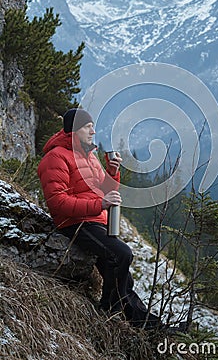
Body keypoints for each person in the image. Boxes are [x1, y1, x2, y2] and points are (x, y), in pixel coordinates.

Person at [37, 108, 159, 328]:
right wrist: (99, 205)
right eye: (87, 126)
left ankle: (145, 323)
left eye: (93, 126)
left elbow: (103, 190)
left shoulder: (89, 155)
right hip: (75, 223)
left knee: (121, 273)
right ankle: (108, 310)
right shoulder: (55, 158)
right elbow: (57, 202)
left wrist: (112, 173)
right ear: (74, 130)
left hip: (94, 220)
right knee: (122, 254)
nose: (93, 131)